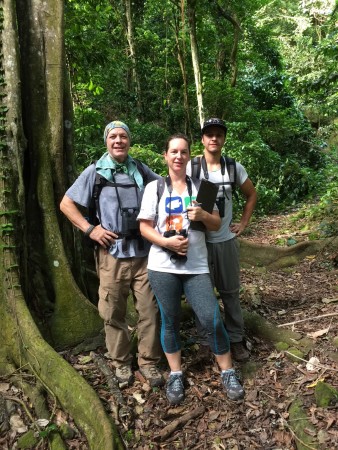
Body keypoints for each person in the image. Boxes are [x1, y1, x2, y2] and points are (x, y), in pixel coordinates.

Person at [137, 133, 245, 405]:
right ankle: (175, 374)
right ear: (165, 156)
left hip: (196, 265)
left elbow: (217, 223)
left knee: (211, 318)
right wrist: (166, 242)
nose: (178, 156)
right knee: (170, 319)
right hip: (162, 265)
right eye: (173, 151)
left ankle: (228, 371)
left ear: (189, 156)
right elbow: (145, 227)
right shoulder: (155, 188)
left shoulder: (203, 187)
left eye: (183, 152)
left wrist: (203, 215)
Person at [60, 120, 164, 387]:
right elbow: (66, 203)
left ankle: (149, 362)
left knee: (150, 311)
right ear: (106, 141)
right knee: (112, 311)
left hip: (143, 253)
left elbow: (166, 189)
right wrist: (90, 229)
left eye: (123, 136)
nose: (118, 140)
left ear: (129, 140)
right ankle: (120, 363)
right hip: (111, 254)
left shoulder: (140, 169)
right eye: (113, 136)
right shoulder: (96, 172)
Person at [187, 118, 257, 362]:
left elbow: (251, 194)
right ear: (203, 139)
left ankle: (236, 339)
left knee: (229, 292)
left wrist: (243, 223)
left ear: (224, 139)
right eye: (209, 134)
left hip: (225, 239)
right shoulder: (191, 167)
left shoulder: (233, 167)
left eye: (218, 134)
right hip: (198, 242)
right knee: (201, 293)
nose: (214, 138)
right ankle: (206, 342)